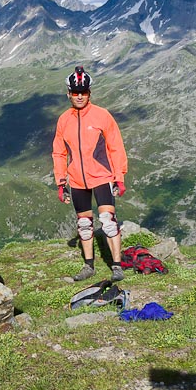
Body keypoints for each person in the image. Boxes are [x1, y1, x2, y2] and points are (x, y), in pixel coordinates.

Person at [52, 66, 129, 282]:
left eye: (83, 92)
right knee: (84, 225)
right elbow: (59, 152)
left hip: (102, 176)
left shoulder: (102, 115)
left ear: (89, 93)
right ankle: (89, 266)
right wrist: (60, 182)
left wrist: (119, 176)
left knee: (108, 221)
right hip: (76, 179)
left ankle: (116, 265)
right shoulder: (63, 120)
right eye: (75, 92)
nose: (79, 96)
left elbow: (116, 146)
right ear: (68, 93)